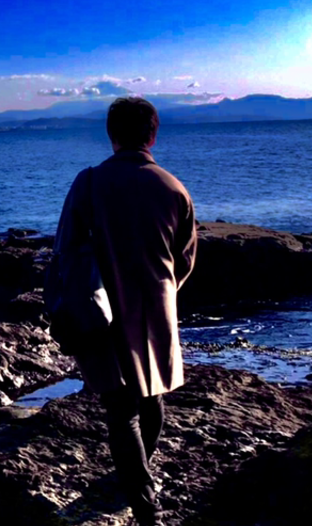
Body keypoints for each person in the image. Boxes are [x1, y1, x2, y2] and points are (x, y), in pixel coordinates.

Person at [53, 96, 196, 526]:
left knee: (121, 411)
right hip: (156, 314)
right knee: (151, 401)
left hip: (102, 313)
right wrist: (163, 292)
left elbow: (65, 250)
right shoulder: (174, 188)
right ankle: (137, 480)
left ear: (111, 134)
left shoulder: (89, 183)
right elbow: (185, 260)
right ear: (153, 135)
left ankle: (144, 503)